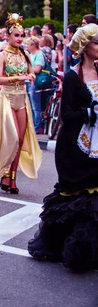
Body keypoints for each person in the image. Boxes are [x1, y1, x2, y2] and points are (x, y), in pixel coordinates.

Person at [28, 23, 98, 272]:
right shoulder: (71, 77)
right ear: (84, 47)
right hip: (76, 147)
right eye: (96, 43)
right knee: (78, 195)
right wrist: (89, 112)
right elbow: (66, 115)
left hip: (97, 144)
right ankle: (73, 247)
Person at [0, 13, 42, 194]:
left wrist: (31, 76)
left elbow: (32, 73)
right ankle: (4, 173)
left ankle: (12, 178)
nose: (20, 38)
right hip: (7, 99)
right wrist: (19, 77)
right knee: (13, 138)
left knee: (21, 139)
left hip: (22, 98)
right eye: (16, 35)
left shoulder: (25, 55)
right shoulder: (2, 56)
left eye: (22, 35)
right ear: (7, 36)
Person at [25, 36, 46, 134]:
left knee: (35, 107)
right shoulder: (31, 55)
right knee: (30, 106)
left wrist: (27, 71)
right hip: (29, 81)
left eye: (28, 44)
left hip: (35, 82)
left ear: (33, 45)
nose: (27, 47)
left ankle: (36, 127)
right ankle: (32, 125)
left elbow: (37, 69)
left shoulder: (39, 54)